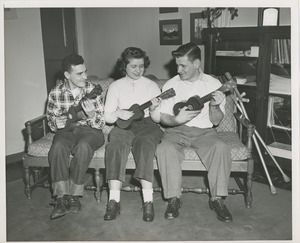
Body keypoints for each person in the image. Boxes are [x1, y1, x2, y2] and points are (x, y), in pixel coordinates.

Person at [156, 42, 233, 222]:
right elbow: (163, 117)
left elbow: (215, 121)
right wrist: (176, 120)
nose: (178, 69)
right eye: (177, 64)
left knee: (220, 148)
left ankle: (217, 199)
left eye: (183, 65)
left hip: (205, 132)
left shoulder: (214, 84)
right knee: (164, 149)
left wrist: (214, 105)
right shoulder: (171, 84)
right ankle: (174, 198)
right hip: (176, 132)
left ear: (197, 64)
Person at [104, 47, 163, 222]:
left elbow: (158, 118)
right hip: (123, 126)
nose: (138, 70)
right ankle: (114, 200)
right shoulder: (115, 86)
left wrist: (153, 109)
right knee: (115, 146)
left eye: (141, 66)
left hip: (147, 125)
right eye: (133, 67)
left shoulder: (152, 86)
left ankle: (148, 201)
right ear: (124, 67)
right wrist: (118, 113)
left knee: (145, 145)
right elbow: (108, 116)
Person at [47, 54, 105, 219]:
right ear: (67, 75)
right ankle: (61, 197)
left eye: (85, 72)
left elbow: (101, 124)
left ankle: (74, 195)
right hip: (67, 132)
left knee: (84, 146)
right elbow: (52, 122)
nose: (85, 77)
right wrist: (56, 123)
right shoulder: (55, 93)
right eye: (79, 74)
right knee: (57, 146)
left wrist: (93, 115)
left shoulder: (93, 90)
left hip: (91, 131)